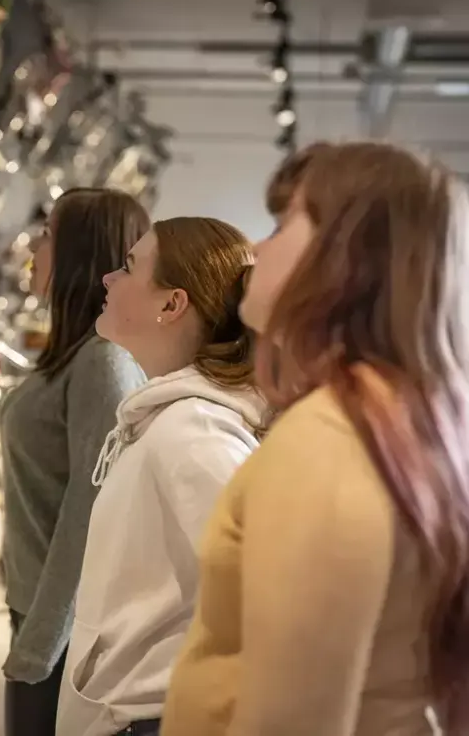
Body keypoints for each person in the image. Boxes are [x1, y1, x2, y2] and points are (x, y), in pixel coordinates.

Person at [162, 140, 469, 736]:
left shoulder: (329, 445)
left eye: (282, 225)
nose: (255, 246)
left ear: (348, 257)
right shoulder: (405, 425)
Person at [56, 217, 266, 736]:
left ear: (171, 304)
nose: (108, 279)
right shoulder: (171, 419)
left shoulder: (191, 433)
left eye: (129, 267)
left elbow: (273, 596)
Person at [1, 188, 149, 736]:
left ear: (80, 253)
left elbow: (89, 515)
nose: (34, 247)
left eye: (47, 236)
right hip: (40, 609)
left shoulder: (102, 363)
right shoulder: (76, 352)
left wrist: (39, 646)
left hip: (64, 636)